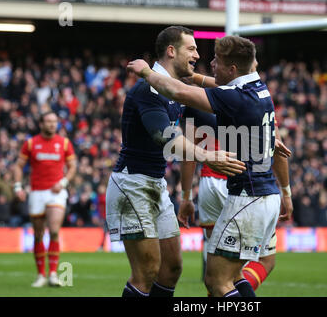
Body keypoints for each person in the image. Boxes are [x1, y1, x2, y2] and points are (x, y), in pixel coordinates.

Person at [126, 35, 292, 297]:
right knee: (234, 276)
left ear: (232, 70)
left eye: (217, 61)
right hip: (263, 194)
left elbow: (178, 92)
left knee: (217, 281)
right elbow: (214, 86)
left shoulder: (233, 98)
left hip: (247, 197)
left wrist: (145, 71)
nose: (210, 63)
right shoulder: (258, 88)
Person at [106, 26, 245, 298]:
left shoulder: (177, 90)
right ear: (171, 51)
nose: (197, 55)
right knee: (146, 272)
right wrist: (206, 156)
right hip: (132, 184)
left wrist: (261, 134)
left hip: (155, 186)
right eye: (191, 49)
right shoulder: (149, 88)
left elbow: (220, 121)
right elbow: (165, 136)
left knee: (171, 269)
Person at [178, 61, 293, 294]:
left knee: (220, 272)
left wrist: (186, 195)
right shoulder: (258, 100)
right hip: (245, 186)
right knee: (260, 263)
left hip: (210, 183)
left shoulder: (199, 103)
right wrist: (286, 191)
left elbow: (188, 155)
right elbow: (279, 153)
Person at [13, 111, 77, 287]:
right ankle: (41, 274)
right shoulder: (31, 143)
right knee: (38, 234)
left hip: (56, 192)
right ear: (41, 123)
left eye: (54, 121)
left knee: (54, 230)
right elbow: (18, 166)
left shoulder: (64, 143)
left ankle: (54, 273)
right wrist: (18, 186)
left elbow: (72, 166)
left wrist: (63, 182)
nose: (52, 124)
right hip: (36, 192)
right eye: (48, 121)